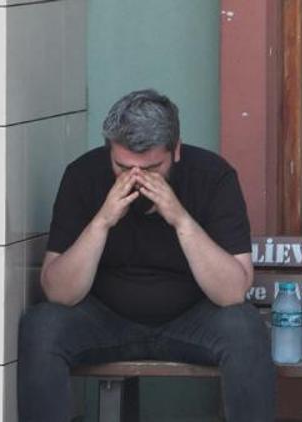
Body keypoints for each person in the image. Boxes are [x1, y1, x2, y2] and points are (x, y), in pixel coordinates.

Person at [18, 89, 275, 422]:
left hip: (193, 318)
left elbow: (233, 293)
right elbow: (59, 293)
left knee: (245, 328)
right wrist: (102, 221)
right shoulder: (83, 175)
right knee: (42, 326)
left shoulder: (213, 176)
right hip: (104, 319)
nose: (136, 179)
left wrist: (181, 219)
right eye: (122, 167)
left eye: (152, 168)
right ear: (109, 149)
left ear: (176, 150)